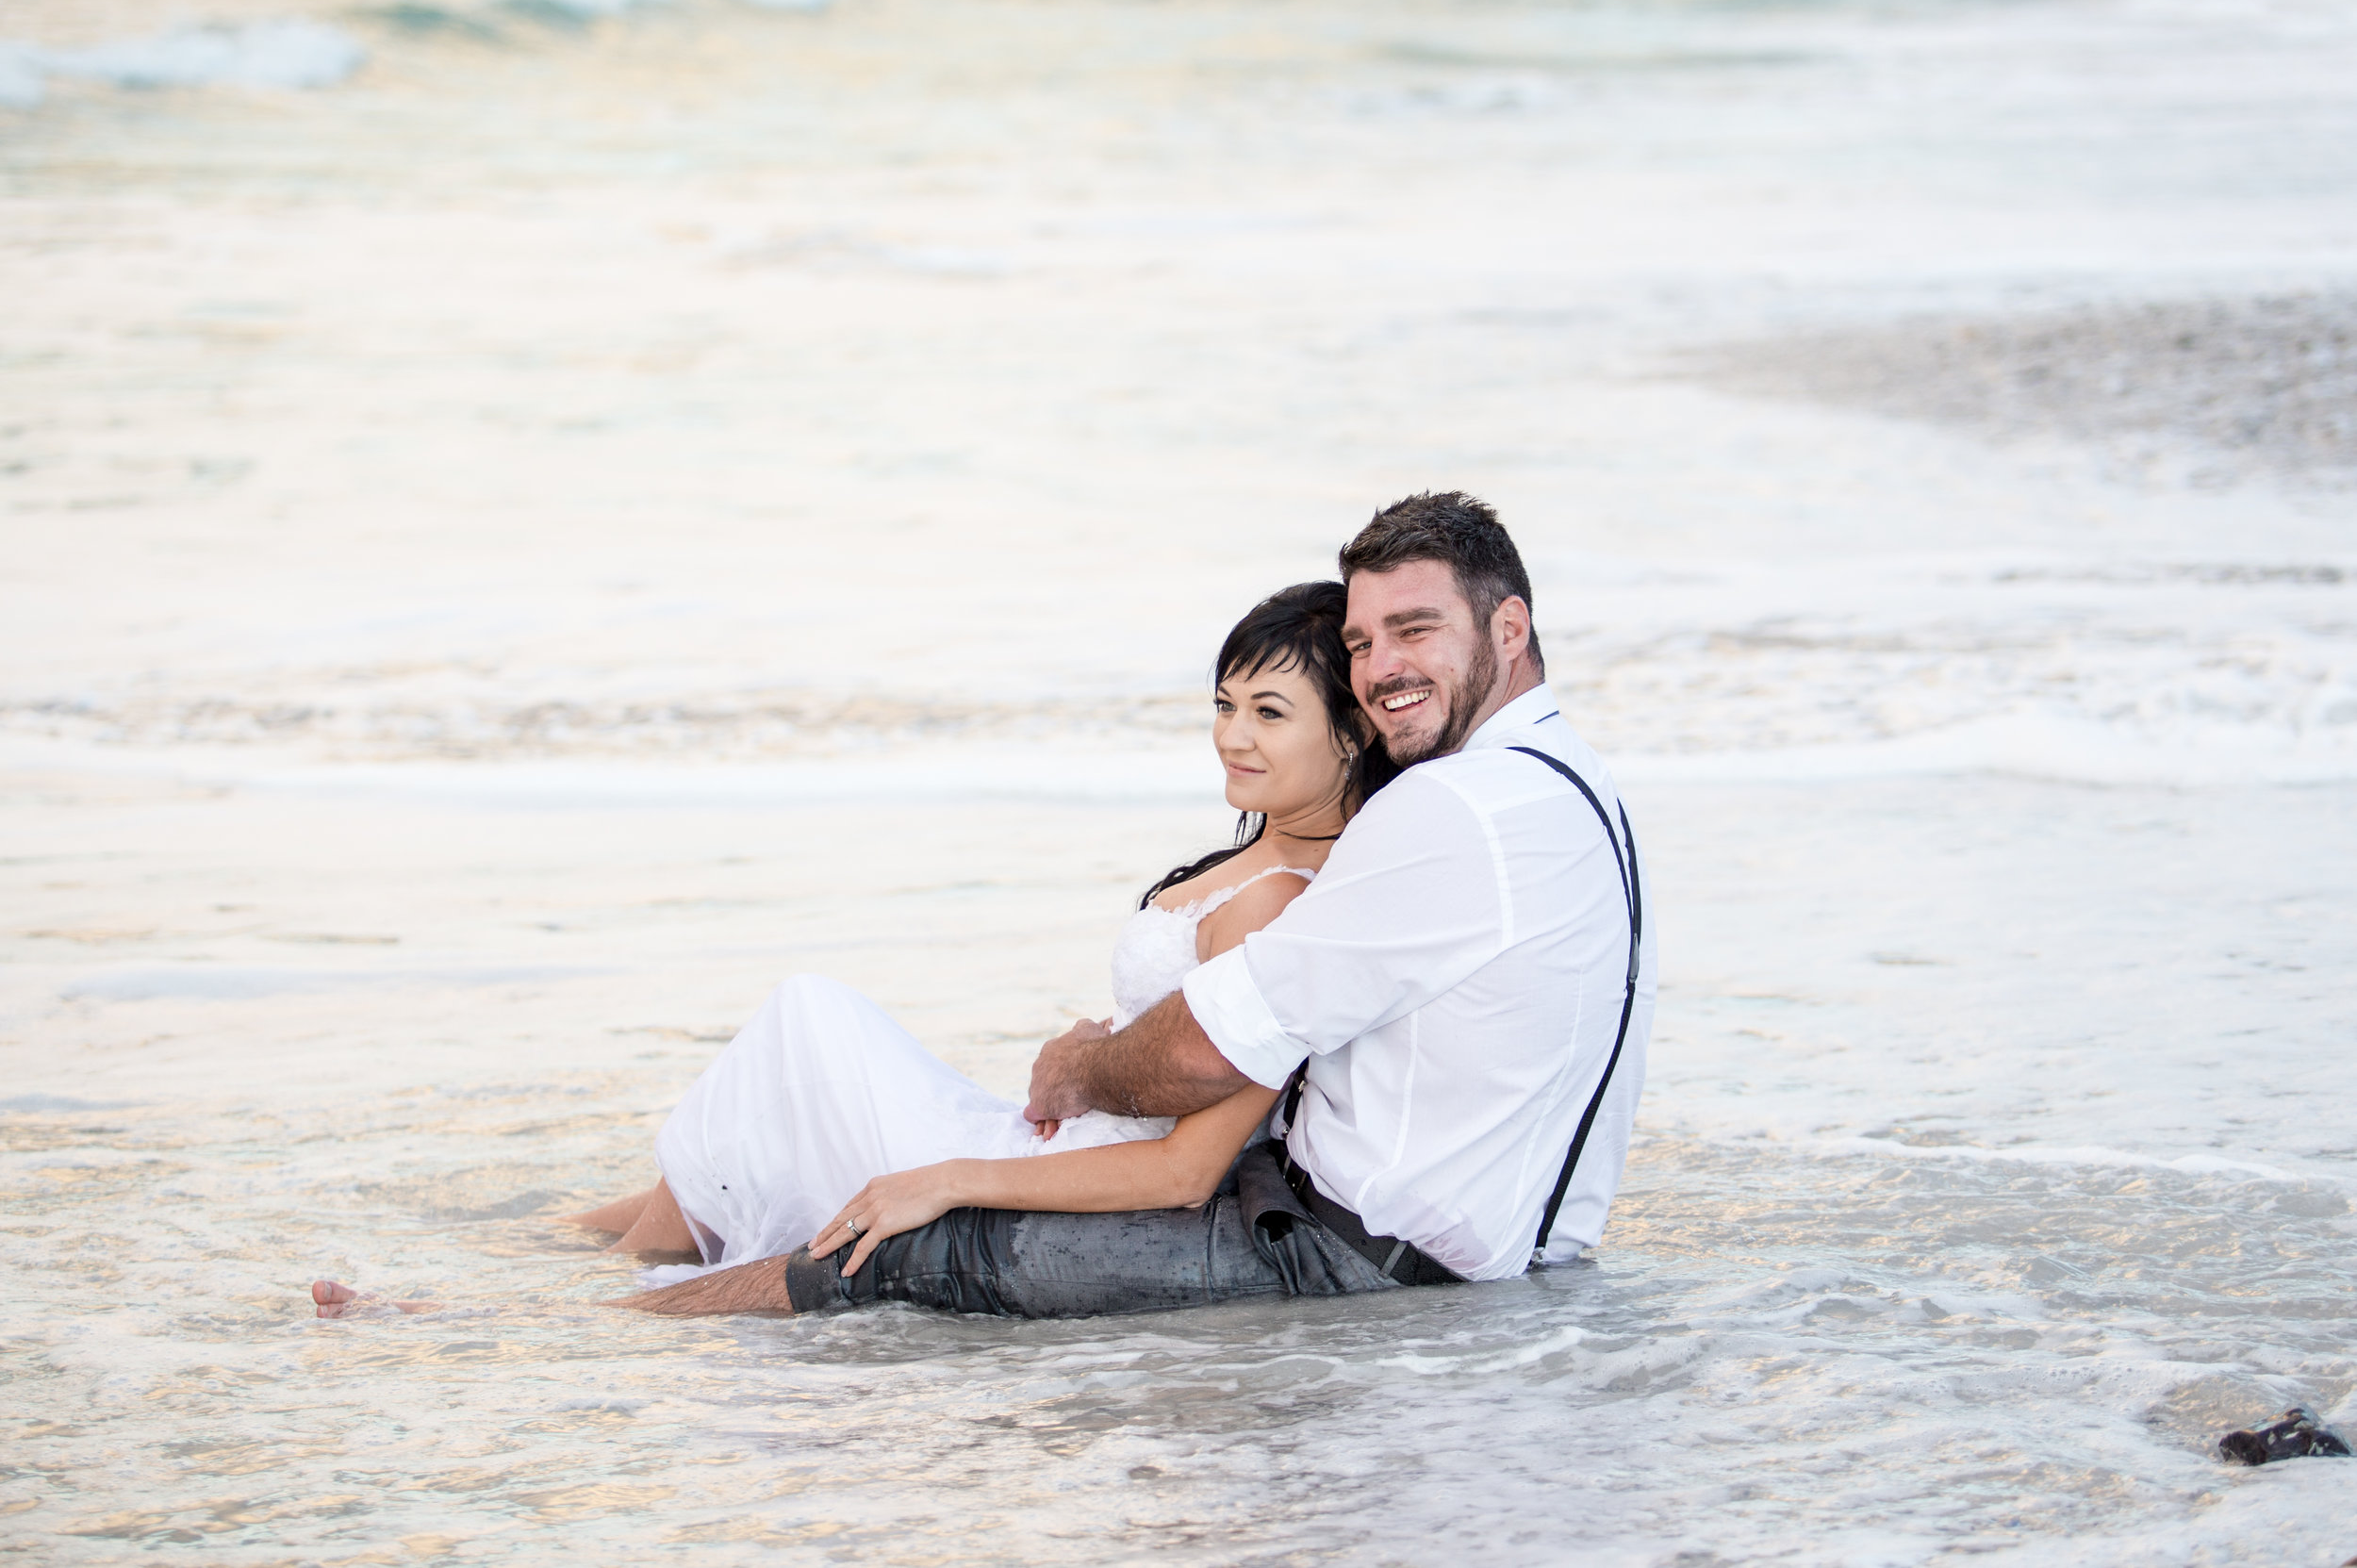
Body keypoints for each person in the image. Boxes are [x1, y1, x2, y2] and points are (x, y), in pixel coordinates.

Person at [615, 490, 1655, 1321]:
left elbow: (1209, 1057)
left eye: (1414, 630)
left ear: (1508, 626)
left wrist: (1077, 1066)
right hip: (1431, 1230)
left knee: (906, 1253)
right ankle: (621, 1279)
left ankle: (613, 1338)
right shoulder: (1569, 784)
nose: (1382, 668)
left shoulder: (1453, 807)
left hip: (1347, 1248)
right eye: (1363, 640)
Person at [312, 580, 1393, 1318]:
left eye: (1267, 710)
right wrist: (1103, 1043)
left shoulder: (1281, 902)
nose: (1230, 733)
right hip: (1052, 1131)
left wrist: (948, 1179)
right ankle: (542, 1269)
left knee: (807, 1029)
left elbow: (1188, 1164)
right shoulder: (1253, 857)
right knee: (791, 1059)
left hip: (1060, 1171)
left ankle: (516, 1302)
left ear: (1347, 734)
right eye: (1221, 701)